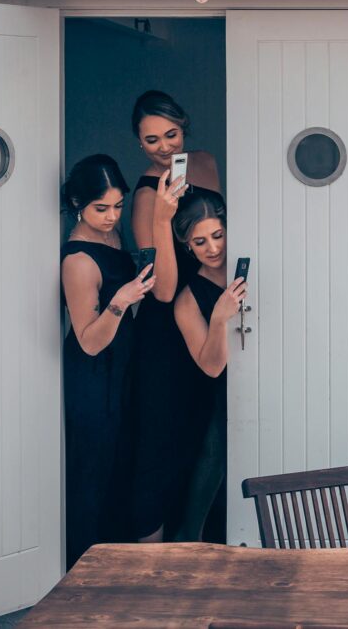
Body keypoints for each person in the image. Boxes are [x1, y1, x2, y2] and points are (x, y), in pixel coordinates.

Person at [128, 90, 223, 542]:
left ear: (184, 128)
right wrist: (164, 218)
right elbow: (161, 290)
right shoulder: (147, 196)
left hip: (209, 304)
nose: (164, 148)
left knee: (207, 434)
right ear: (139, 143)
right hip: (166, 331)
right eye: (151, 141)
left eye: (171, 134)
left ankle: (194, 543)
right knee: (161, 444)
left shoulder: (204, 162)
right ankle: (149, 558)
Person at [60, 154, 154, 568]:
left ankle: (116, 564)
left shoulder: (113, 238)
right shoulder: (77, 261)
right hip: (94, 374)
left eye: (118, 206)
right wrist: (120, 301)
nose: (112, 217)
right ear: (78, 202)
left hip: (124, 367)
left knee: (122, 461)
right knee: (91, 471)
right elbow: (89, 342)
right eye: (102, 208)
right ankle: (83, 571)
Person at [170, 190, 246, 541]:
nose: (213, 248)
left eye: (218, 236)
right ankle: (189, 541)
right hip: (213, 394)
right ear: (188, 247)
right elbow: (211, 367)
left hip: (263, 383)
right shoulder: (186, 299)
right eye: (200, 242)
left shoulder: (248, 266)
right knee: (213, 462)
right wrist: (218, 319)